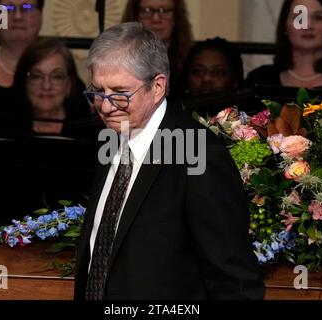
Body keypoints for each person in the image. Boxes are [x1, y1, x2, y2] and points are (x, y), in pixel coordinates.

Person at [74, 22, 264, 300]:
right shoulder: (113, 138)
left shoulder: (200, 155)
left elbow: (236, 283)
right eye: (98, 92)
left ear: (158, 86)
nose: (105, 106)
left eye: (119, 93)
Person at [246, 0, 322, 89]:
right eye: (299, 18)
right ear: (285, 26)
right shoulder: (260, 79)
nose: (307, 25)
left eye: (318, 18)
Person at [13, 38, 90, 136]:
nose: (46, 86)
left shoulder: (88, 135)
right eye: (37, 76)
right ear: (25, 84)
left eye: (56, 77)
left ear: (69, 85)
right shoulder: (8, 132)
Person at [122, 0, 193, 98]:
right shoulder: (120, 58)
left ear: (177, 18)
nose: (156, 19)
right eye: (147, 11)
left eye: (164, 11)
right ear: (135, 16)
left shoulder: (191, 60)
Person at [179, 37, 244, 98]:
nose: (206, 79)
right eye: (198, 72)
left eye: (218, 72)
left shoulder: (247, 109)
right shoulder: (172, 108)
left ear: (235, 81)